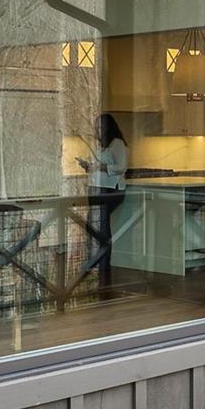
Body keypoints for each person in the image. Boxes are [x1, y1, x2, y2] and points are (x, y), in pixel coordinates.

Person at [81, 113, 129, 291]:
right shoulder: (99, 145)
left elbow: (121, 166)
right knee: (92, 225)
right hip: (96, 187)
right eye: (96, 127)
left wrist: (99, 167)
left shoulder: (117, 143)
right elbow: (98, 165)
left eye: (101, 127)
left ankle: (102, 265)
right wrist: (88, 166)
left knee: (100, 226)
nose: (98, 130)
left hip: (111, 189)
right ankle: (97, 262)